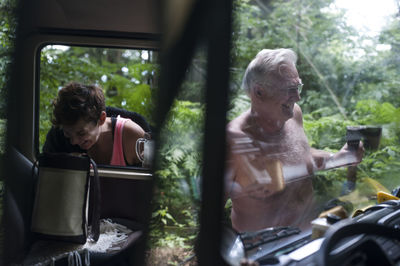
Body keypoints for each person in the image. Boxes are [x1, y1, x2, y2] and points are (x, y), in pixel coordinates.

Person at [225, 48, 364, 232]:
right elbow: (209, 214)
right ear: (259, 92)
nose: (298, 97)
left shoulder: (294, 114)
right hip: (264, 255)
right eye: (290, 90)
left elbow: (299, 153)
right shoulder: (234, 140)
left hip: (310, 241)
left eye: (298, 87)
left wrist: (339, 157)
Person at [43, 82, 147, 166]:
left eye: (81, 133)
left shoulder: (131, 137)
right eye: (68, 135)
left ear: (101, 119)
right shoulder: (58, 139)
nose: (74, 142)